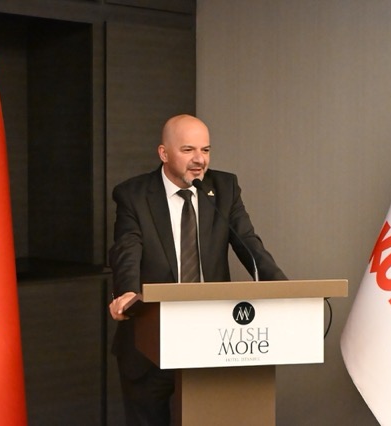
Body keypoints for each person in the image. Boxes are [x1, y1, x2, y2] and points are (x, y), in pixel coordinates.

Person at [108, 114, 287, 426]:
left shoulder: (224, 188)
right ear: (164, 153)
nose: (199, 160)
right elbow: (127, 248)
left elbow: (248, 243)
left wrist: (284, 289)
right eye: (188, 150)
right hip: (151, 336)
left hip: (213, 337)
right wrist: (127, 291)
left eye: (205, 150)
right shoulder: (133, 194)